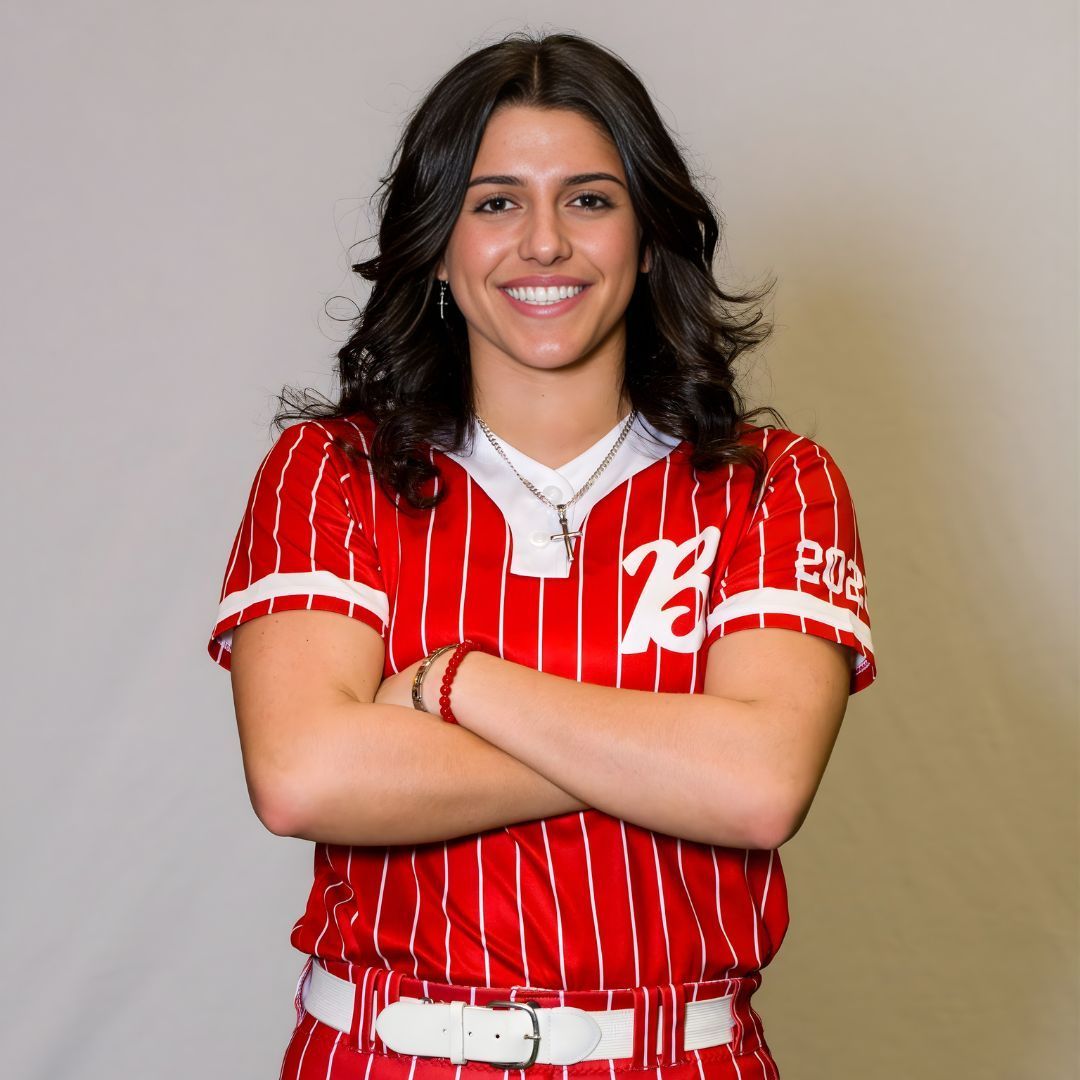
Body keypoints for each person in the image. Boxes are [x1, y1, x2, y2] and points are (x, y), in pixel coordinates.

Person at [206, 30, 877, 1080]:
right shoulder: (331, 471)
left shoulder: (774, 483)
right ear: (438, 243)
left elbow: (758, 788)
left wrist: (455, 684)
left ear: (648, 237)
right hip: (387, 1056)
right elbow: (303, 776)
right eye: (495, 203)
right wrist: (667, 754)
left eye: (590, 199)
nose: (545, 242)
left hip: (675, 1058)